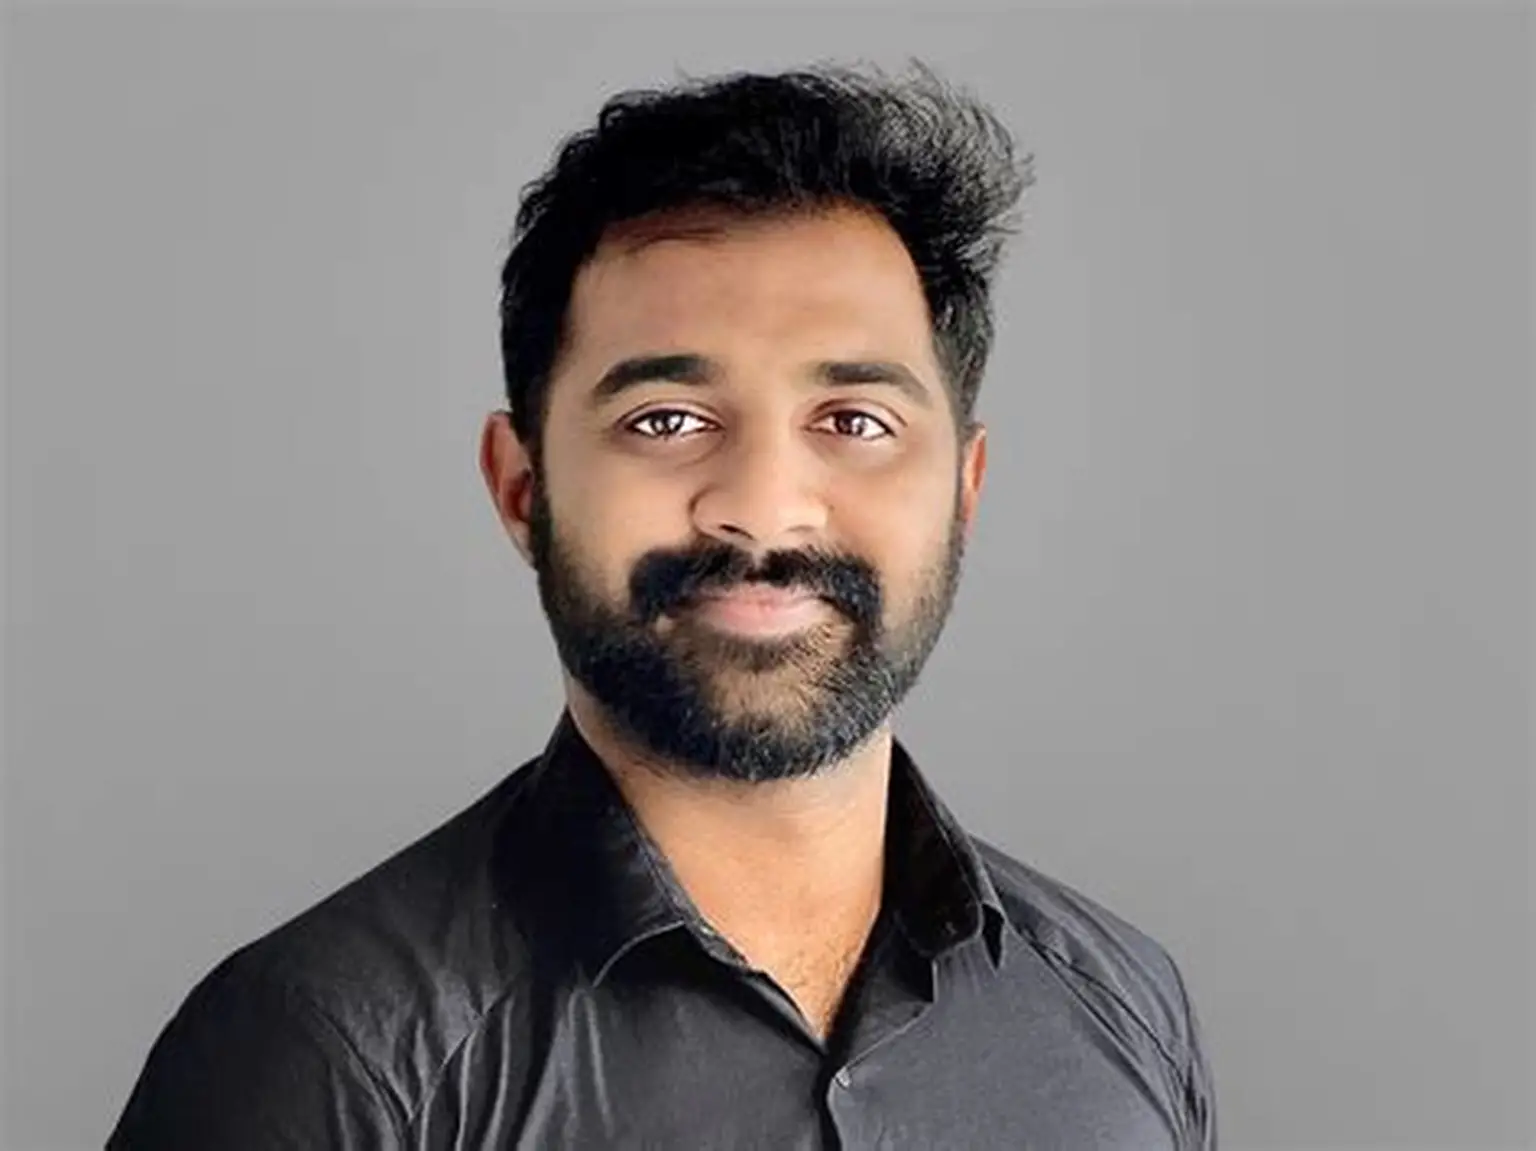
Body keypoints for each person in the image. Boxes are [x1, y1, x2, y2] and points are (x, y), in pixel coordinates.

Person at [108, 60, 1217, 1149]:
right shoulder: (326, 1055)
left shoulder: (1122, 1010)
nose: (764, 511)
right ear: (524, 486)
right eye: (667, 420)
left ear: (963, 490)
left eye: (855, 421)